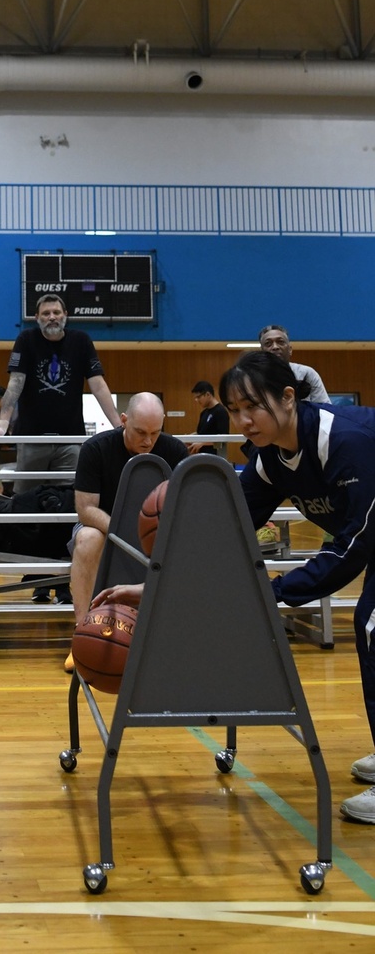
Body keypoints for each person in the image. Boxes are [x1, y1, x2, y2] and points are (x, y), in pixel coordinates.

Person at [98, 350, 375, 826]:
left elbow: (352, 548)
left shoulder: (347, 441)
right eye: (233, 409)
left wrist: (275, 590)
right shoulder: (271, 460)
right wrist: (160, 585)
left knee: (371, 627)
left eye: (253, 407)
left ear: (288, 398)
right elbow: (223, 533)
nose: (243, 420)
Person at [67, 393, 187, 663]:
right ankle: (83, 634)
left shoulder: (175, 451)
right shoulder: (95, 449)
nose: (148, 441)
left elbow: (184, 508)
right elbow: (85, 509)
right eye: (140, 432)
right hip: (106, 527)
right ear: (123, 420)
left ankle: (175, 632)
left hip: (156, 533)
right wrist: (124, 530)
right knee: (87, 538)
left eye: (155, 433)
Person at [0, 294, 120, 493]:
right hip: (31, 438)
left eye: (56, 312)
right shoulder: (26, 340)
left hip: (70, 439)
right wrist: (2, 425)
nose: (52, 317)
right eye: (46, 313)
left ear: (65, 315)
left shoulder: (81, 341)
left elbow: (98, 385)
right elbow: (15, 384)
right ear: (37, 317)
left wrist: (118, 425)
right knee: (25, 500)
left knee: (69, 500)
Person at [258, 325, 330, 404]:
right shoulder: (253, 376)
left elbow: (325, 409)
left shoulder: (306, 373)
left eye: (280, 342)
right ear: (262, 352)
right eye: (268, 343)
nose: (275, 347)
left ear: (290, 350)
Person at [190, 379, 229, 455]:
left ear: (208, 394)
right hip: (202, 455)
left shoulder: (220, 412)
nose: (197, 400)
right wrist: (189, 438)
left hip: (216, 455)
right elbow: (200, 433)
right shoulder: (204, 413)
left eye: (198, 397)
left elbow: (223, 438)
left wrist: (202, 443)